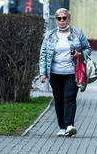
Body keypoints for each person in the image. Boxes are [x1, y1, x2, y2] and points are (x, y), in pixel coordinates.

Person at [39, 8, 91, 137]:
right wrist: (43, 73)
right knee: (59, 100)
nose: (62, 21)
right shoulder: (50, 35)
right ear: (56, 20)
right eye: (59, 18)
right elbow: (43, 55)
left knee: (70, 98)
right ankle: (62, 127)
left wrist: (79, 54)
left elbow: (88, 49)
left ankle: (69, 125)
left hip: (72, 72)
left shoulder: (77, 33)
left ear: (69, 19)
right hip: (55, 73)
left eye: (64, 18)